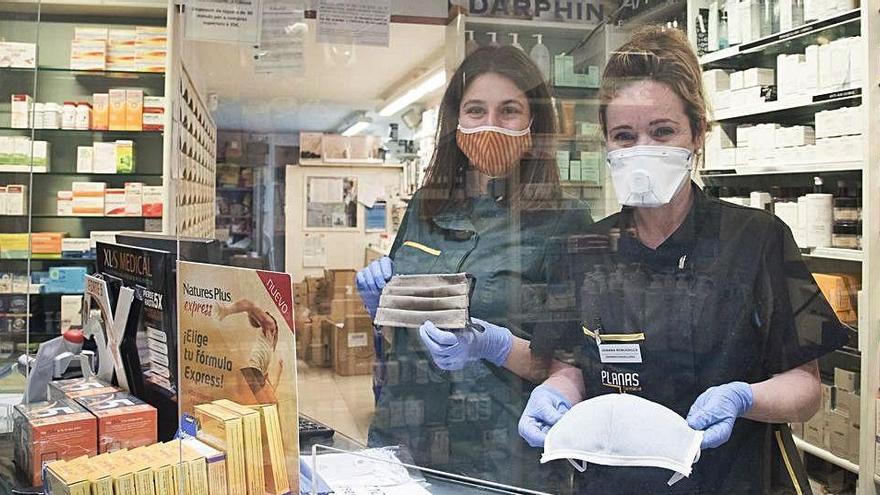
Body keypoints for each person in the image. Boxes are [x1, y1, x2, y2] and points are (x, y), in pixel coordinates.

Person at [510, 26, 850, 493]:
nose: (642, 149)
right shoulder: (583, 250)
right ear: (605, 143)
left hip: (735, 476)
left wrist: (744, 398)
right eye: (625, 136)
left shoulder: (755, 239)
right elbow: (569, 365)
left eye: (662, 131)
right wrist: (554, 394)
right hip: (618, 480)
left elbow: (805, 389)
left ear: (697, 134)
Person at [356, 45, 591, 490]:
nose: (490, 125)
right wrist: (378, 305)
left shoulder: (565, 220)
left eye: (509, 111)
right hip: (402, 441)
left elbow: (574, 365)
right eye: (476, 110)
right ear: (456, 121)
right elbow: (397, 333)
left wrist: (494, 346)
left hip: (501, 460)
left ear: (534, 122)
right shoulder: (426, 206)